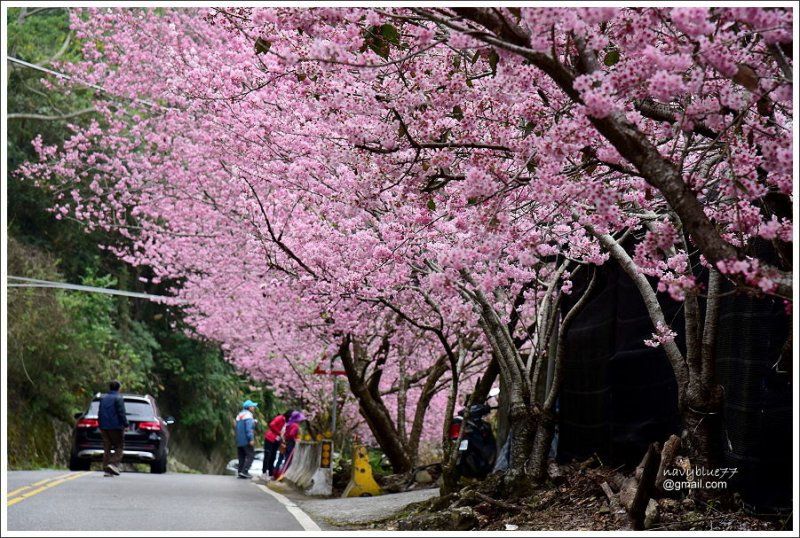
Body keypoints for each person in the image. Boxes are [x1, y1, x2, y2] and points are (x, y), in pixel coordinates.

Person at [97, 380, 129, 477]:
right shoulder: (118, 398)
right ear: (119, 388)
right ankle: (113, 464)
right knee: (119, 446)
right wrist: (125, 424)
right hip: (115, 426)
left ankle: (107, 469)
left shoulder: (103, 398)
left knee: (107, 447)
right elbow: (121, 413)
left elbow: (100, 412)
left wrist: (100, 424)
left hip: (104, 426)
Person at [261, 410, 293, 479]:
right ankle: (264, 472)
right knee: (267, 455)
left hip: (277, 440)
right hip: (270, 438)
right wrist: (278, 432)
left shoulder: (286, 422)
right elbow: (272, 424)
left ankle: (270, 473)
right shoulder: (280, 418)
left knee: (273, 456)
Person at [274, 410, 306, 478]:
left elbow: (286, 434)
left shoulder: (289, 424)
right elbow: (291, 435)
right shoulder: (295, 426)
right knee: (288, 459)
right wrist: (296, 439)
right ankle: (284, 474)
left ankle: (277, 473)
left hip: (286, 442)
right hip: (291, 443)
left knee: (283, 458)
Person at [235, 399, 258, 479]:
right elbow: (249, 429)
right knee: (251, 455)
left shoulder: (239, 415)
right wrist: (250, 439)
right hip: (246, 440)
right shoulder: (248, 415)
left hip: (239, 440)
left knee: (241, 456)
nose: (254, 408)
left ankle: (240, 471)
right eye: (253, 406)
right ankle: (245, 471)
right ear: (249, 407)